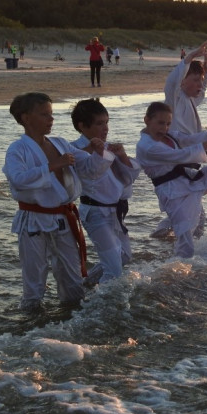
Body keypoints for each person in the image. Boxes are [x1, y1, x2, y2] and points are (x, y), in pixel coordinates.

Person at [3, 92, 112, 311]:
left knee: (72, 276)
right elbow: (17, 179)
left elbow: (88, 169)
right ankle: (31, 318)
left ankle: (71, 316)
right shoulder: (17, 149)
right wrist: (52, 166)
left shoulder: (60, 143)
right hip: (34, 219)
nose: (51, 119)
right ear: (26, 118)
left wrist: (100, 153)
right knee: (34, 276)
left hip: (63, 217)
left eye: (51, 114)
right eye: (44, 115)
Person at [136, 102, 207, 258]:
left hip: (190, 180)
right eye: (160, 123)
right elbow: (183, 155)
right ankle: (170, 265)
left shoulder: (169, 136)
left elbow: (194, 139)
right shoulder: (146, 146)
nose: (164, 128)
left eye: (168, 124)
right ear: (147, 120)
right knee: (186, 246)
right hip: (173, 193)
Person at [70, 99, 141, 283]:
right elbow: (92, 171)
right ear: (82, 126)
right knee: (114, 270)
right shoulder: (75, 149)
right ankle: (101, 300)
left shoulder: (108, 147)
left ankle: (86, 284)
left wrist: (123, 156)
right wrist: (98, 151)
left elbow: (128, 179)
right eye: (99, 123)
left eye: (107, 122)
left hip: (115, 211)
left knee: (124, 256)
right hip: (95, 213)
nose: (106, 128)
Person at [154, 39, 207, 237]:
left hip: (188, 166)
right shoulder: (175, 100)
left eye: (201, 80)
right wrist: (190, 57)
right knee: (198, 218)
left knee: (180, 218)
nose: (200, 84)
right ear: (183, 81)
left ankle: (156, 245)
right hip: (178, 168)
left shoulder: (190, 100)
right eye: (195, 80)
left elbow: (202, 90)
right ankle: (192, 252)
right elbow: (172, 82)